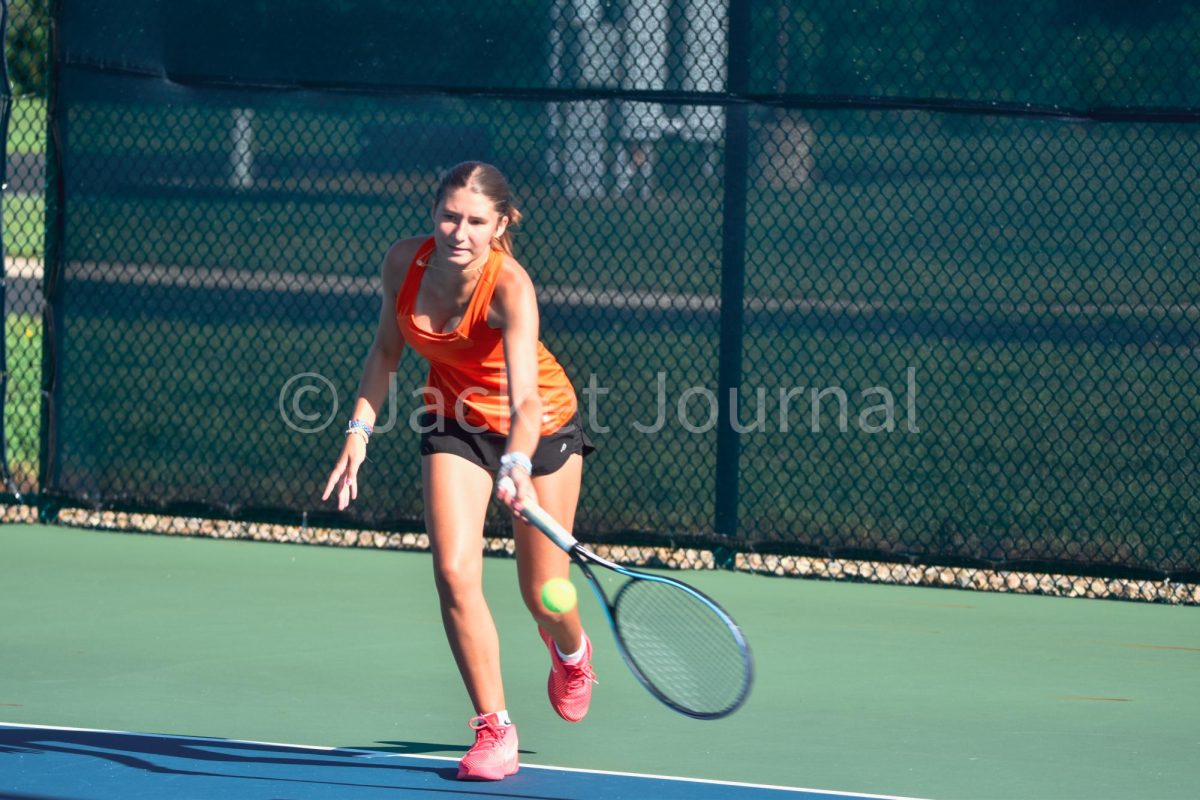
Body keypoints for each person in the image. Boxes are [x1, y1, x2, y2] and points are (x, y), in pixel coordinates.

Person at [321, 161, 596, 782]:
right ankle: (494, 729)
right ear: (434, 213)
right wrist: (358, 432)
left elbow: (527, 402)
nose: (459, 231)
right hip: (455, 421)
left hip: (543, 428)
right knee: (452, 570)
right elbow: (386, 351)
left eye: (476, 221)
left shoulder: (509, 287)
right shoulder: (403, 264)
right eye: (449, 215)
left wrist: (519, 464)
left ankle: (572, 653)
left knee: (542, 593)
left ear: (501, 224)